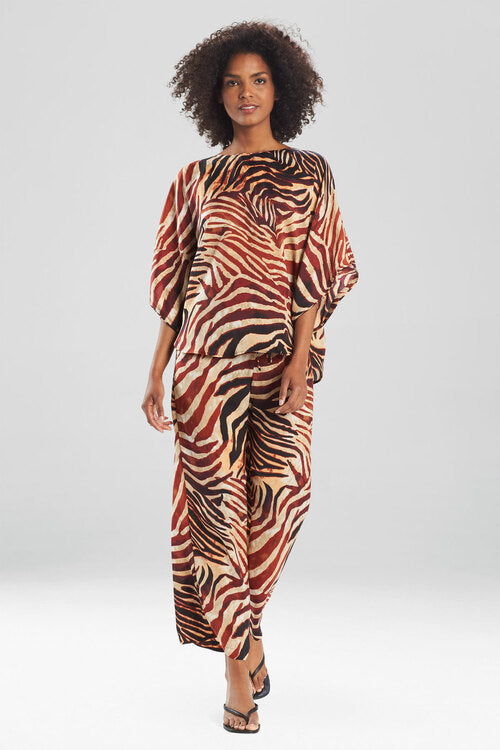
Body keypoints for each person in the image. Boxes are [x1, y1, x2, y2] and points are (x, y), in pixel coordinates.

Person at [141, 20, 359, 734]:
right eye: (233, 82)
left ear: (280, 88)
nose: (246, 93)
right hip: (203, 368)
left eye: (259, 80)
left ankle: (246, 627)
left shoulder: (310, 172)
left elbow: (320, 271)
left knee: (284, 500)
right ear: (215, 93)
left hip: (279, 365)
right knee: (216, 518)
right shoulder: (195, 180)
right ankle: (238, 665)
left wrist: (300, 356)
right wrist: (155, 370)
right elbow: (175, 286)